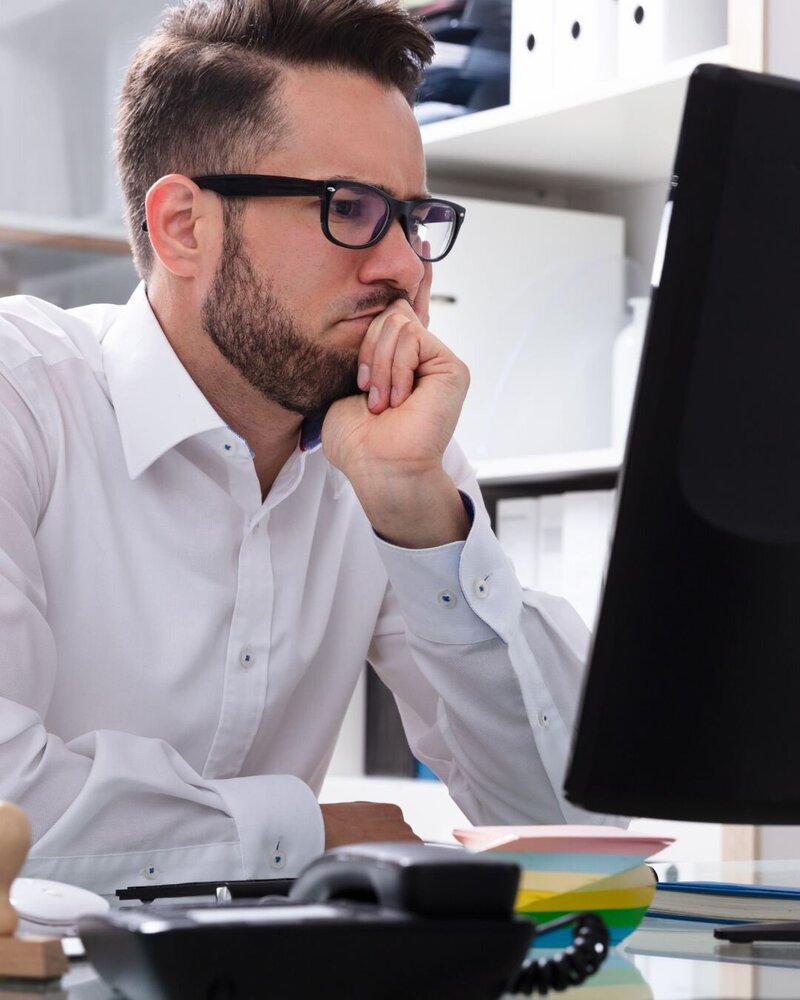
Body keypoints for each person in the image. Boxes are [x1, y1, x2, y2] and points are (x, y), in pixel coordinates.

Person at [0, 0, 617, 897]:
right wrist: (302, 836)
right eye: (351, 208)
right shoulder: (24, 395)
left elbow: (573, 830)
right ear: (183, 228)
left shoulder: (389, 452)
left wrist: (424, 525)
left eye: (414, 217)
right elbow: (5, 806)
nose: (405, 267)